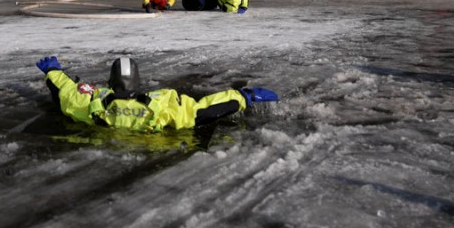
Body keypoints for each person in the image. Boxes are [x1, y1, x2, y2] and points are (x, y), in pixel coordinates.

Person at [36, 56, 278, 132]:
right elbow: (198, 113)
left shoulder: (93, 102)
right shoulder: (159, 104)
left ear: (110, 81)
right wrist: (242, 97)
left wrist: (54, 71)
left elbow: (66, 93)